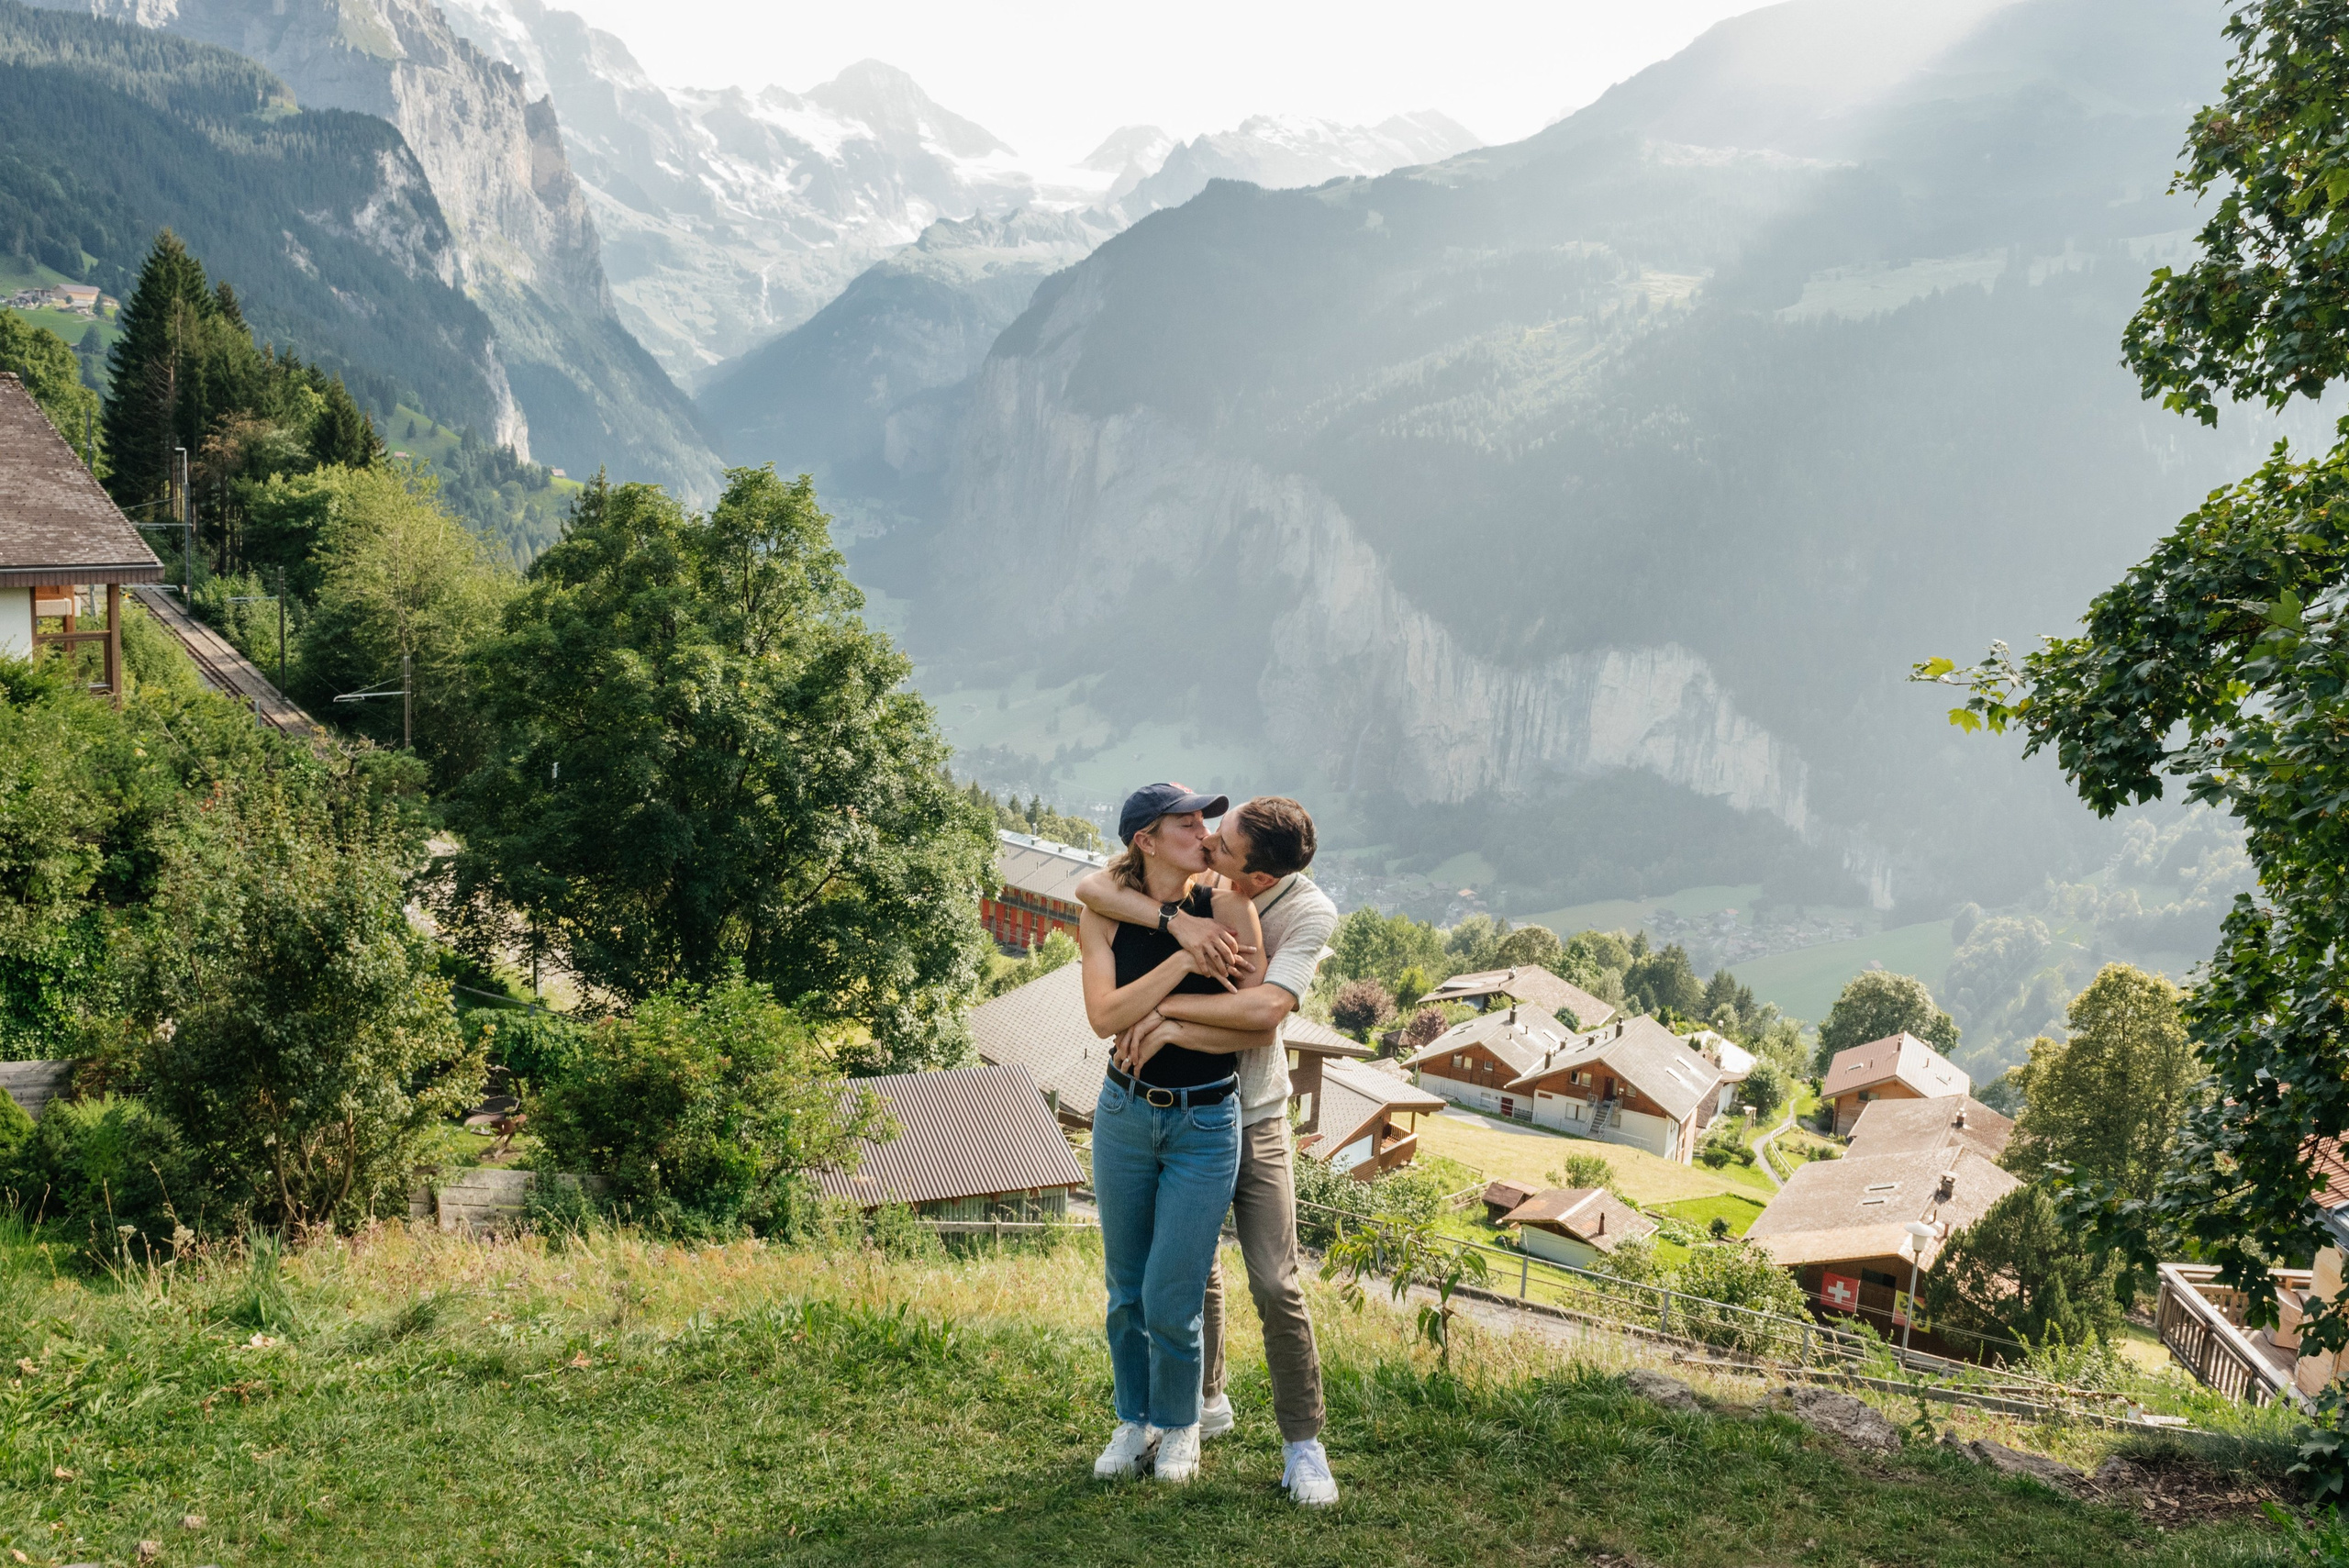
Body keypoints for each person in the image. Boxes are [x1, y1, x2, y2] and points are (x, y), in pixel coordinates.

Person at [1077, 795, 1341, 1507]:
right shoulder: (1180, 892)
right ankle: (1189, 1405)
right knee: (1161, 1280)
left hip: (1240, 1111)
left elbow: (1258, 1016)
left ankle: (1301, 1444)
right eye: (1198, 828)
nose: (1208, 841)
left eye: (1218, 838)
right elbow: (1093, 891)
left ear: (1252, 875)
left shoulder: (1273, 908)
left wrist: (1162, 1018)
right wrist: (1174, 928)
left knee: (1269, 1280)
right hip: (1137, 1108)